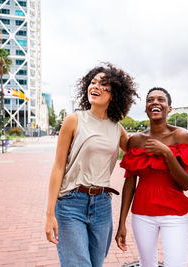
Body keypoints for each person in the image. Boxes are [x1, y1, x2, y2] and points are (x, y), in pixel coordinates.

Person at [45, 63, 138, 267]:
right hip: (70, 203)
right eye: (93, 82)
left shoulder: (117, 128)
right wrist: (49, 213)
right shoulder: (74, 121)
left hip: (102, 205)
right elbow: (58, 167)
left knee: (96, 263)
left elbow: (137, 152)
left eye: (103, 84)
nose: (95, 86)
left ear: (114, 94)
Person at [115, 87, 188, 267]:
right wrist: (121, 222)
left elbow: (186, 184)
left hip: (174, 215)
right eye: (150, 100)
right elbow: (129, 183)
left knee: (176, 264)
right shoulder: (135, 141)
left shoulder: (181, 136)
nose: (155, 102)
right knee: (147, 264)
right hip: (142, 215)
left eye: (161, 99)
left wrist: (167, 154)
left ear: (169, 108)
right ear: (146, 109)